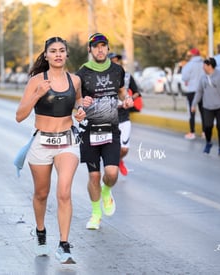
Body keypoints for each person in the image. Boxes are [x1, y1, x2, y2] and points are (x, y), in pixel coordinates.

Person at [15, 37, 85, 264]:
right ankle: (41, 231)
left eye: (61, 51)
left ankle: (64, 245)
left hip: (67, 141)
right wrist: (37, 94)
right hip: (42, 143)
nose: (57, 54)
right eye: (53, 51)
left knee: (64, 192)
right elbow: (19, 116)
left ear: (66, 55)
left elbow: (78, 103)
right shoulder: (36, 80)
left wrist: (82, 109)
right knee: (41, 193)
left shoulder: (74, 80)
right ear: (45, 55)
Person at [76, 33, 133, 230]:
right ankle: (95, 214)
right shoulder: (82, 73)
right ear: (90, 50)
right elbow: (75, 101)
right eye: (95, 46)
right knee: (93, 176)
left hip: (111, 129)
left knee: (111, 173)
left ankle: (107, 191)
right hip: (89, 131)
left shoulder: (118, 70)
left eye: (103, 46)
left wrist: (126, 101)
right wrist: (80, 104)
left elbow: (122, 92)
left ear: (108, 49)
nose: (100, 49)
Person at [191, 57, 220, 157]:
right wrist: (194, 104)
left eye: (204, 65)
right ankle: (208, 142)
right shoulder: (203, 78)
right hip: (207, 107)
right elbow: (199, 92)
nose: (203, 67)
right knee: (207, 126)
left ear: (209, 66)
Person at [108, 52, 142, 176]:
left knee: (124, 149)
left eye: (117, 60)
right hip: (109, 118)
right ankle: (111, 165)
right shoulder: (103, 77)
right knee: (111, 148)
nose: (115, 62)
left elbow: (137, 92)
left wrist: (129, 99)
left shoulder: (127, 76)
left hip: (124, 117)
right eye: (113, 60)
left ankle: (119, 160)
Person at [181, 48, 205, 140]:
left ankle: (192, 132)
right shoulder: (204, 64)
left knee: (192, 112)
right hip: (202, 90)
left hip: (192, 90)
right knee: (204, 112)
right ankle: (204, 132)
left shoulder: (189, 65)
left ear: (192, 55)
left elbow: (184, 77)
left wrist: (189, 80)